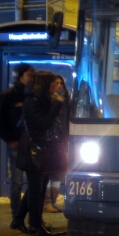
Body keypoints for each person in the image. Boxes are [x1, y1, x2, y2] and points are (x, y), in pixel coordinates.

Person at [16, 71, 66, 236]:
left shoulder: (42, 99)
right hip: (34, 150)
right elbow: (43, 124)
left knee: (37, 186)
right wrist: (56, 106)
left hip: (42, 150)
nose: (56, 86)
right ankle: (34, 224)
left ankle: (18, 220)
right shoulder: (35, 100)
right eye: (53, 83)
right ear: (45, 83)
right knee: (36, 188)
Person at [0, 63, 34, 233]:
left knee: (32, 181)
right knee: (17, 181)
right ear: (21, 76)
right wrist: (9, 139)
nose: (31, 78)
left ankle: (27, 215)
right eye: (29, 74)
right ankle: (17, 215)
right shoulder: (9, 95)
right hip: (17, 142)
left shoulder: (31, 95)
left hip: (30, 142)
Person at [44, 75, 69, 213]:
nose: (59, 86)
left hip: (62, 141)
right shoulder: (48, 101)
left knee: (59, 173)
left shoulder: (66, 101)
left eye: (61, 83)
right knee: (50, 172)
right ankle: (46, 202)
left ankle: (52, 201)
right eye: (56, 83)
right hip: (51, 142)